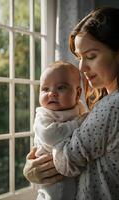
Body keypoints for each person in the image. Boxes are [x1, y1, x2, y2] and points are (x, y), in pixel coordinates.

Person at [24, 7, 119, 200]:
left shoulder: (118, 104)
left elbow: (66, 163)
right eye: (79, 58)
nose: (82, 67)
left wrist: (32, 167)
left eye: (91, 56)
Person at [33, 61, 86, 200]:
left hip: (71, 170)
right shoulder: (43, 114)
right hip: (51, 174)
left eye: (61, 88)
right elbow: (49, 135)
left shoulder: (79, 108)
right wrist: (76, 124)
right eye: (45, 89)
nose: (52, 94)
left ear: (77, 93)